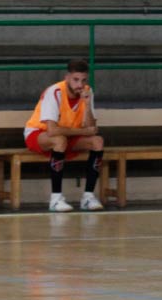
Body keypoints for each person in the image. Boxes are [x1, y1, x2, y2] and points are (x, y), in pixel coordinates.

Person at [24, 59, 104, 212]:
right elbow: (52, 130)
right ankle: (55, 199)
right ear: (67, 77)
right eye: (75, 80)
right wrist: (83, 132)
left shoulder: (87, 91)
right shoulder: (54, 92)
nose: (80, 85)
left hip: (68, 134)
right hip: (38, 134)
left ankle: (88, 197)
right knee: (59, 140)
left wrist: (87, 105)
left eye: (83, 80)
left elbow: (91, 128)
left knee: (97, 141)